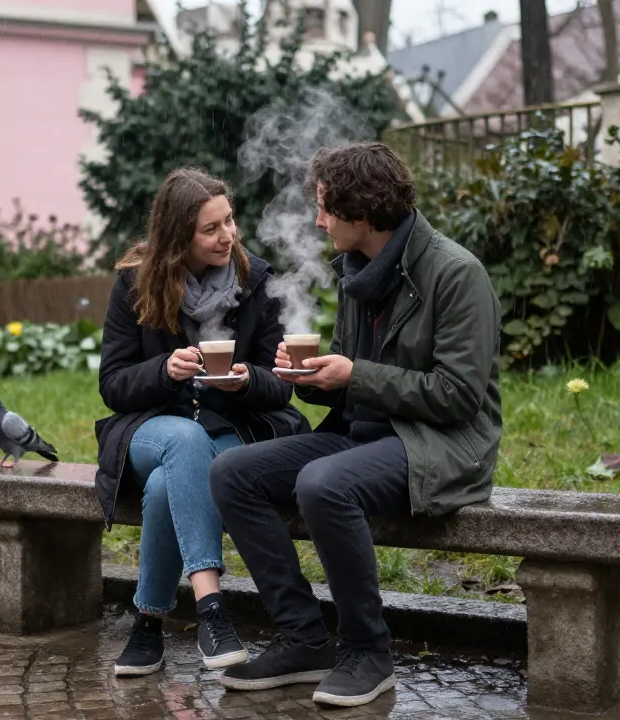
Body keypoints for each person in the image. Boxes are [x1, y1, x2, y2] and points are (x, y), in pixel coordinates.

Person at [208, 141, 503, 707]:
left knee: (324, 483)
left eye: (325, 208)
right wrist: (312, 377)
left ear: (361, 213)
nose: (318, 220)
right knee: (231, 472)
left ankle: (369, 652)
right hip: (365, 433)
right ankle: (303, 637)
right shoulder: (358, 272)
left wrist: (354, 375)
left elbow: (460, 396)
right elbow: (351, 376)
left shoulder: (456, 273)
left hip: (441, 443)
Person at [94, 166, 309, 678]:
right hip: (151, 429)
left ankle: (147, 624)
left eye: (230, 221)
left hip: (233, 430)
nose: (227, 235)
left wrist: (245, 382)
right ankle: (212, 609)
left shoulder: (255, 280)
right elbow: (113, 383)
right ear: (177, 237)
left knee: (173, 481)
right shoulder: (134, 284)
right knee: (182, 441)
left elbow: (282, 383)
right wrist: (164, 371)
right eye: (211, 229)